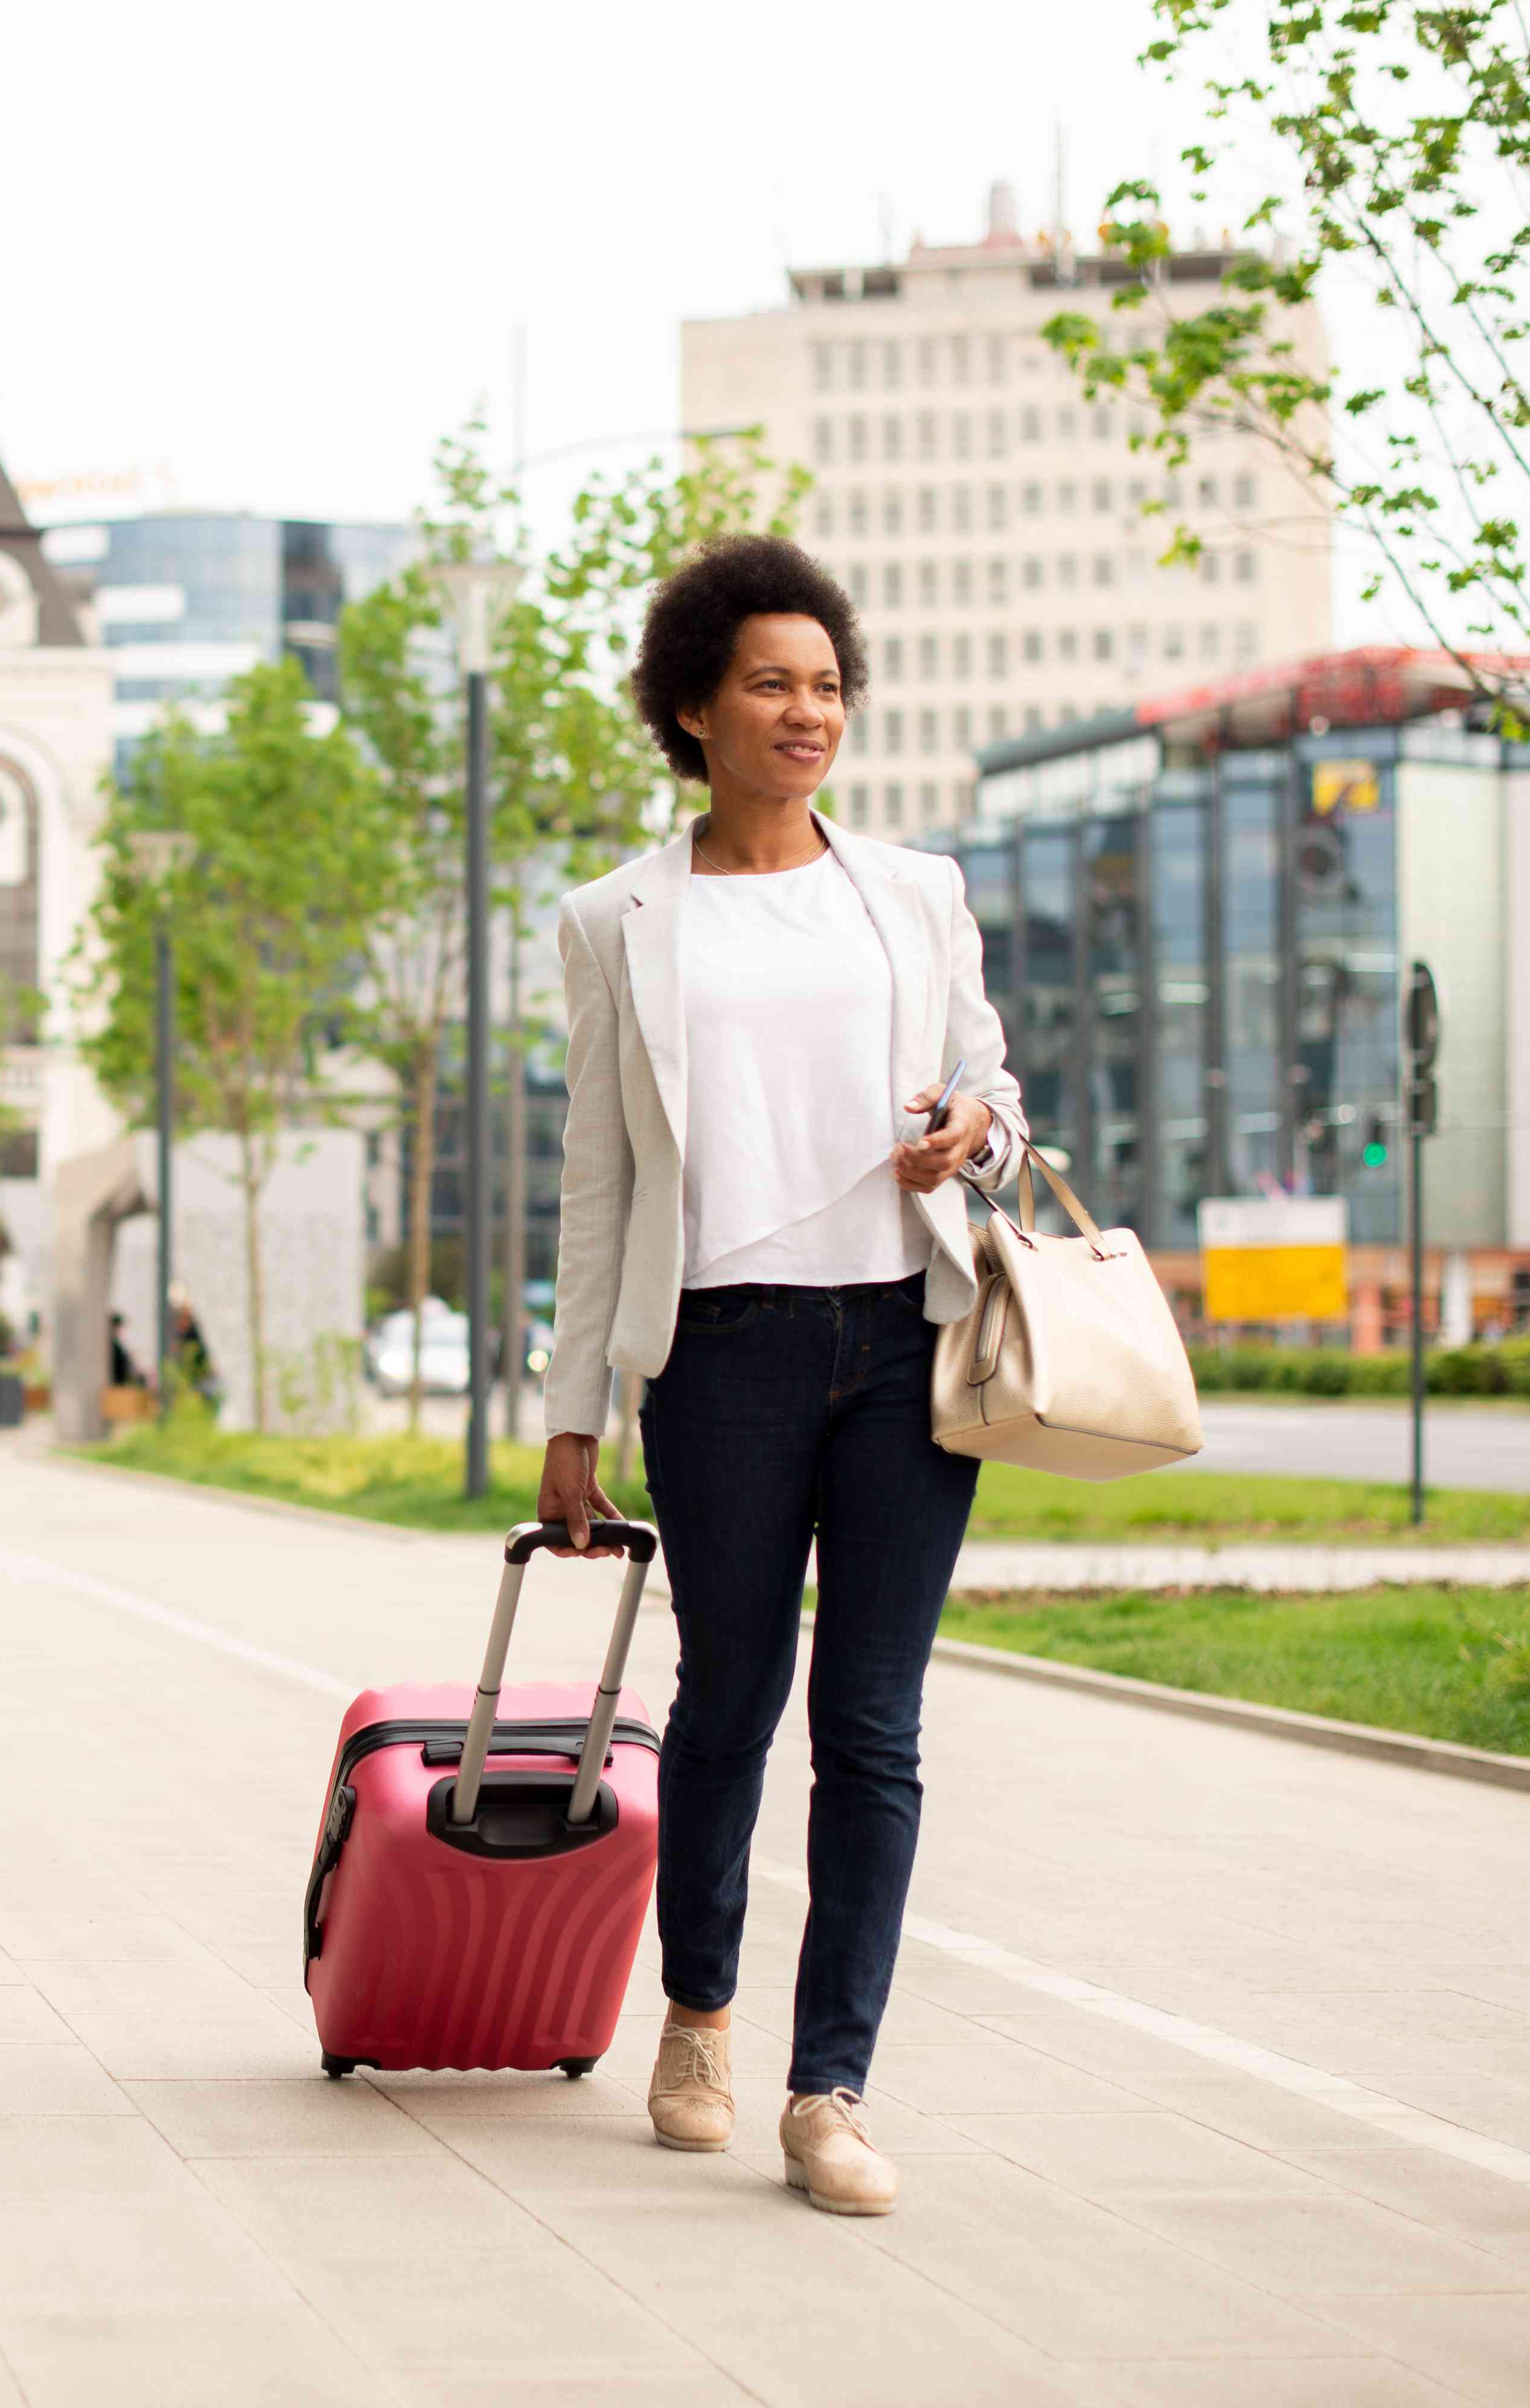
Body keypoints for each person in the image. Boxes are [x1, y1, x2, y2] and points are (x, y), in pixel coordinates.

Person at [534, 535, 1023, 2220]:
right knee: (731, 1707)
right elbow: (598, 1181)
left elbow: (995, 1091)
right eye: (771, 683)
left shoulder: (915, 892)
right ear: (695, 707)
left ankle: (832, 2093)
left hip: (903, 1341)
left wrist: (976, 1129)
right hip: (723, 1354)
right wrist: (573, 1416)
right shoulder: (619, 920)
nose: (808, 711)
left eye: (825, 684)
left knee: (872, 1728)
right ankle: (701, 2014)